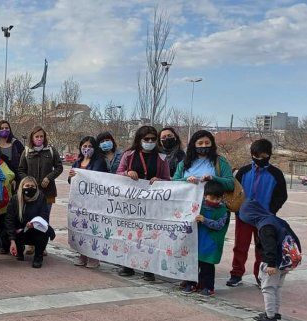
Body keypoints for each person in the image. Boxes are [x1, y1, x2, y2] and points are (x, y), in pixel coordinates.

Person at [227, 139, 288, 287]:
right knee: (240, 246)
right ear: (251, 154)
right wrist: (238, 208)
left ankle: (260, 276)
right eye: (256, 156)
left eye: (263, 156)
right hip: (244, 216)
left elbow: (282, 195)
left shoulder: (276, 174)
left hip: (265, 218)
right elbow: (234, 191)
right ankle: (236, 274)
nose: (259, 159)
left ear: (269, 154)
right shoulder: (243, 171)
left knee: (263, 248)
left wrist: (270, 210)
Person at [116, 125, 171, 280]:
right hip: (132, 202)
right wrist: (127, 172)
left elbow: (168, 179)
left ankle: (149, 268)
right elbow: (117, 173)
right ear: (139, 139)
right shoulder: (128, 155)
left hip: (152, 203)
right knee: (130, 233)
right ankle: (128, 265)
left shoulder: (161, 158)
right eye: (146, 139)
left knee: (150, 236)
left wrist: (159, 180)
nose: (150, 142)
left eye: (153, 139)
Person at [239, 200, 301, 321]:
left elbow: (269, 246)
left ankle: (270, 317)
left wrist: (270, 264)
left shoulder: (265, 226)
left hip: (274, 263)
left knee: (268, 288)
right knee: (277, 288)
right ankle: (275, 314)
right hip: (285, 260)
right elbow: (294, 238)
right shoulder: (274, 219)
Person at [181, 180, 229, 297]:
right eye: (212, 198)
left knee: (207, 266)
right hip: (197, 241)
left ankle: (208, 287)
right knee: (194, 264)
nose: (215, 201)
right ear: (205, 195)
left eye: (218, 199)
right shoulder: (199, 206)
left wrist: (204, 220)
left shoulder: (224, 211)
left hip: (211, 243)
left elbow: (219, 225)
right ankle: (191, 283)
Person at [68, 136, 109, 269]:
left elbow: (100, 179)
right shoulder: (77, 162)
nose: (87, 149)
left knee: (93, 229)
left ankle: (94, 257)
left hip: (94, 202)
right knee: (81, 228)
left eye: (90, 146)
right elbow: (71, 181)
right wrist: (71, 177)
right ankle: (82, 255)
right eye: (84, 146)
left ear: (95, 148)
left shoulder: (99, 162)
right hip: (79, 202)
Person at [5, 176, 55, 268]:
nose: (30, 188)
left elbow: (44, 216)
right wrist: (12, 240)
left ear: (36, 187)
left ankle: (38, 256)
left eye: (32, 186)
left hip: (35, 228)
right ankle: (19, 250)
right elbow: (9, 219)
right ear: (22, 187)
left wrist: (34, 224)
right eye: (27, 186)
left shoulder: (41, 198)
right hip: (20, 229)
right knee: (7, 232)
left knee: (44, 231)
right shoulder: (15, 199)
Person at [17, 126, 63, 209]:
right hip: (31, 192)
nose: (39, 139)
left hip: (48, 192)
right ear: (32, 138)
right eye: (37, 136)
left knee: (45, 216)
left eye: (41, 136)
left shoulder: (51, 150)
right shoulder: (26, 152)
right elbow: (21, 170)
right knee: (31, 215)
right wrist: (28, 181)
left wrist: (49, 178)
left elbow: (59, 167)